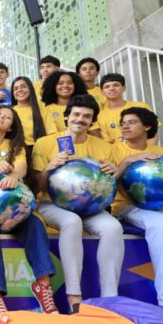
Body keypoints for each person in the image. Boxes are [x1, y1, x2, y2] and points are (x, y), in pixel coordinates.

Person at [32, 94, 123, 312]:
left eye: (86, 116)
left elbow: (111, 186)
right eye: (76, 114)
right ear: (66, 116)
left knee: (113, 228)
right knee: (72, 222)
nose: (80, 119)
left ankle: (110, 298)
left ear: (92, 121)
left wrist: (115, 172)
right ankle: (74, 297)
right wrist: (49, 167)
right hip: (51, 204)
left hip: (91, 207)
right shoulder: (44, 143)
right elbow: (36, 186)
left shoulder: (104, 147)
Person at [0, 105, 58, 313]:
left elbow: (21, 168)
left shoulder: (15, 146)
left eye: (7, 117)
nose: (2, 118)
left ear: (11, 126)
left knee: (34, 224)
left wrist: (14, 176)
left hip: (9, 204)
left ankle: (43, 286)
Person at [111, 107, 163, 306]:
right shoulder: (113, 150)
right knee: (162, 226)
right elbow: (107, 182)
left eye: (132, 122)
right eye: (123, 123)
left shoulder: (162, 152)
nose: (125, 126)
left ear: (147, 126)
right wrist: (127, 161)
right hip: (127, 207)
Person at [97, 73, 152, 143]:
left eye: (116, 85)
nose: (112, 89)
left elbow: (152, 134)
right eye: (107, 87)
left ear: (124, 88)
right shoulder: (101, 116)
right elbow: (107, 143)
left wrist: (147, 150)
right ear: (102, 92)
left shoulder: (141, 107)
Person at [11, 76, 56, 148]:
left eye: (23, 87)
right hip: (17, 150)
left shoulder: (42, 109)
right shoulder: (10, 112)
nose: (19, 90)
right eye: (15, 89)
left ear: (30, 89)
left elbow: (51, 134)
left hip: (40, 149)